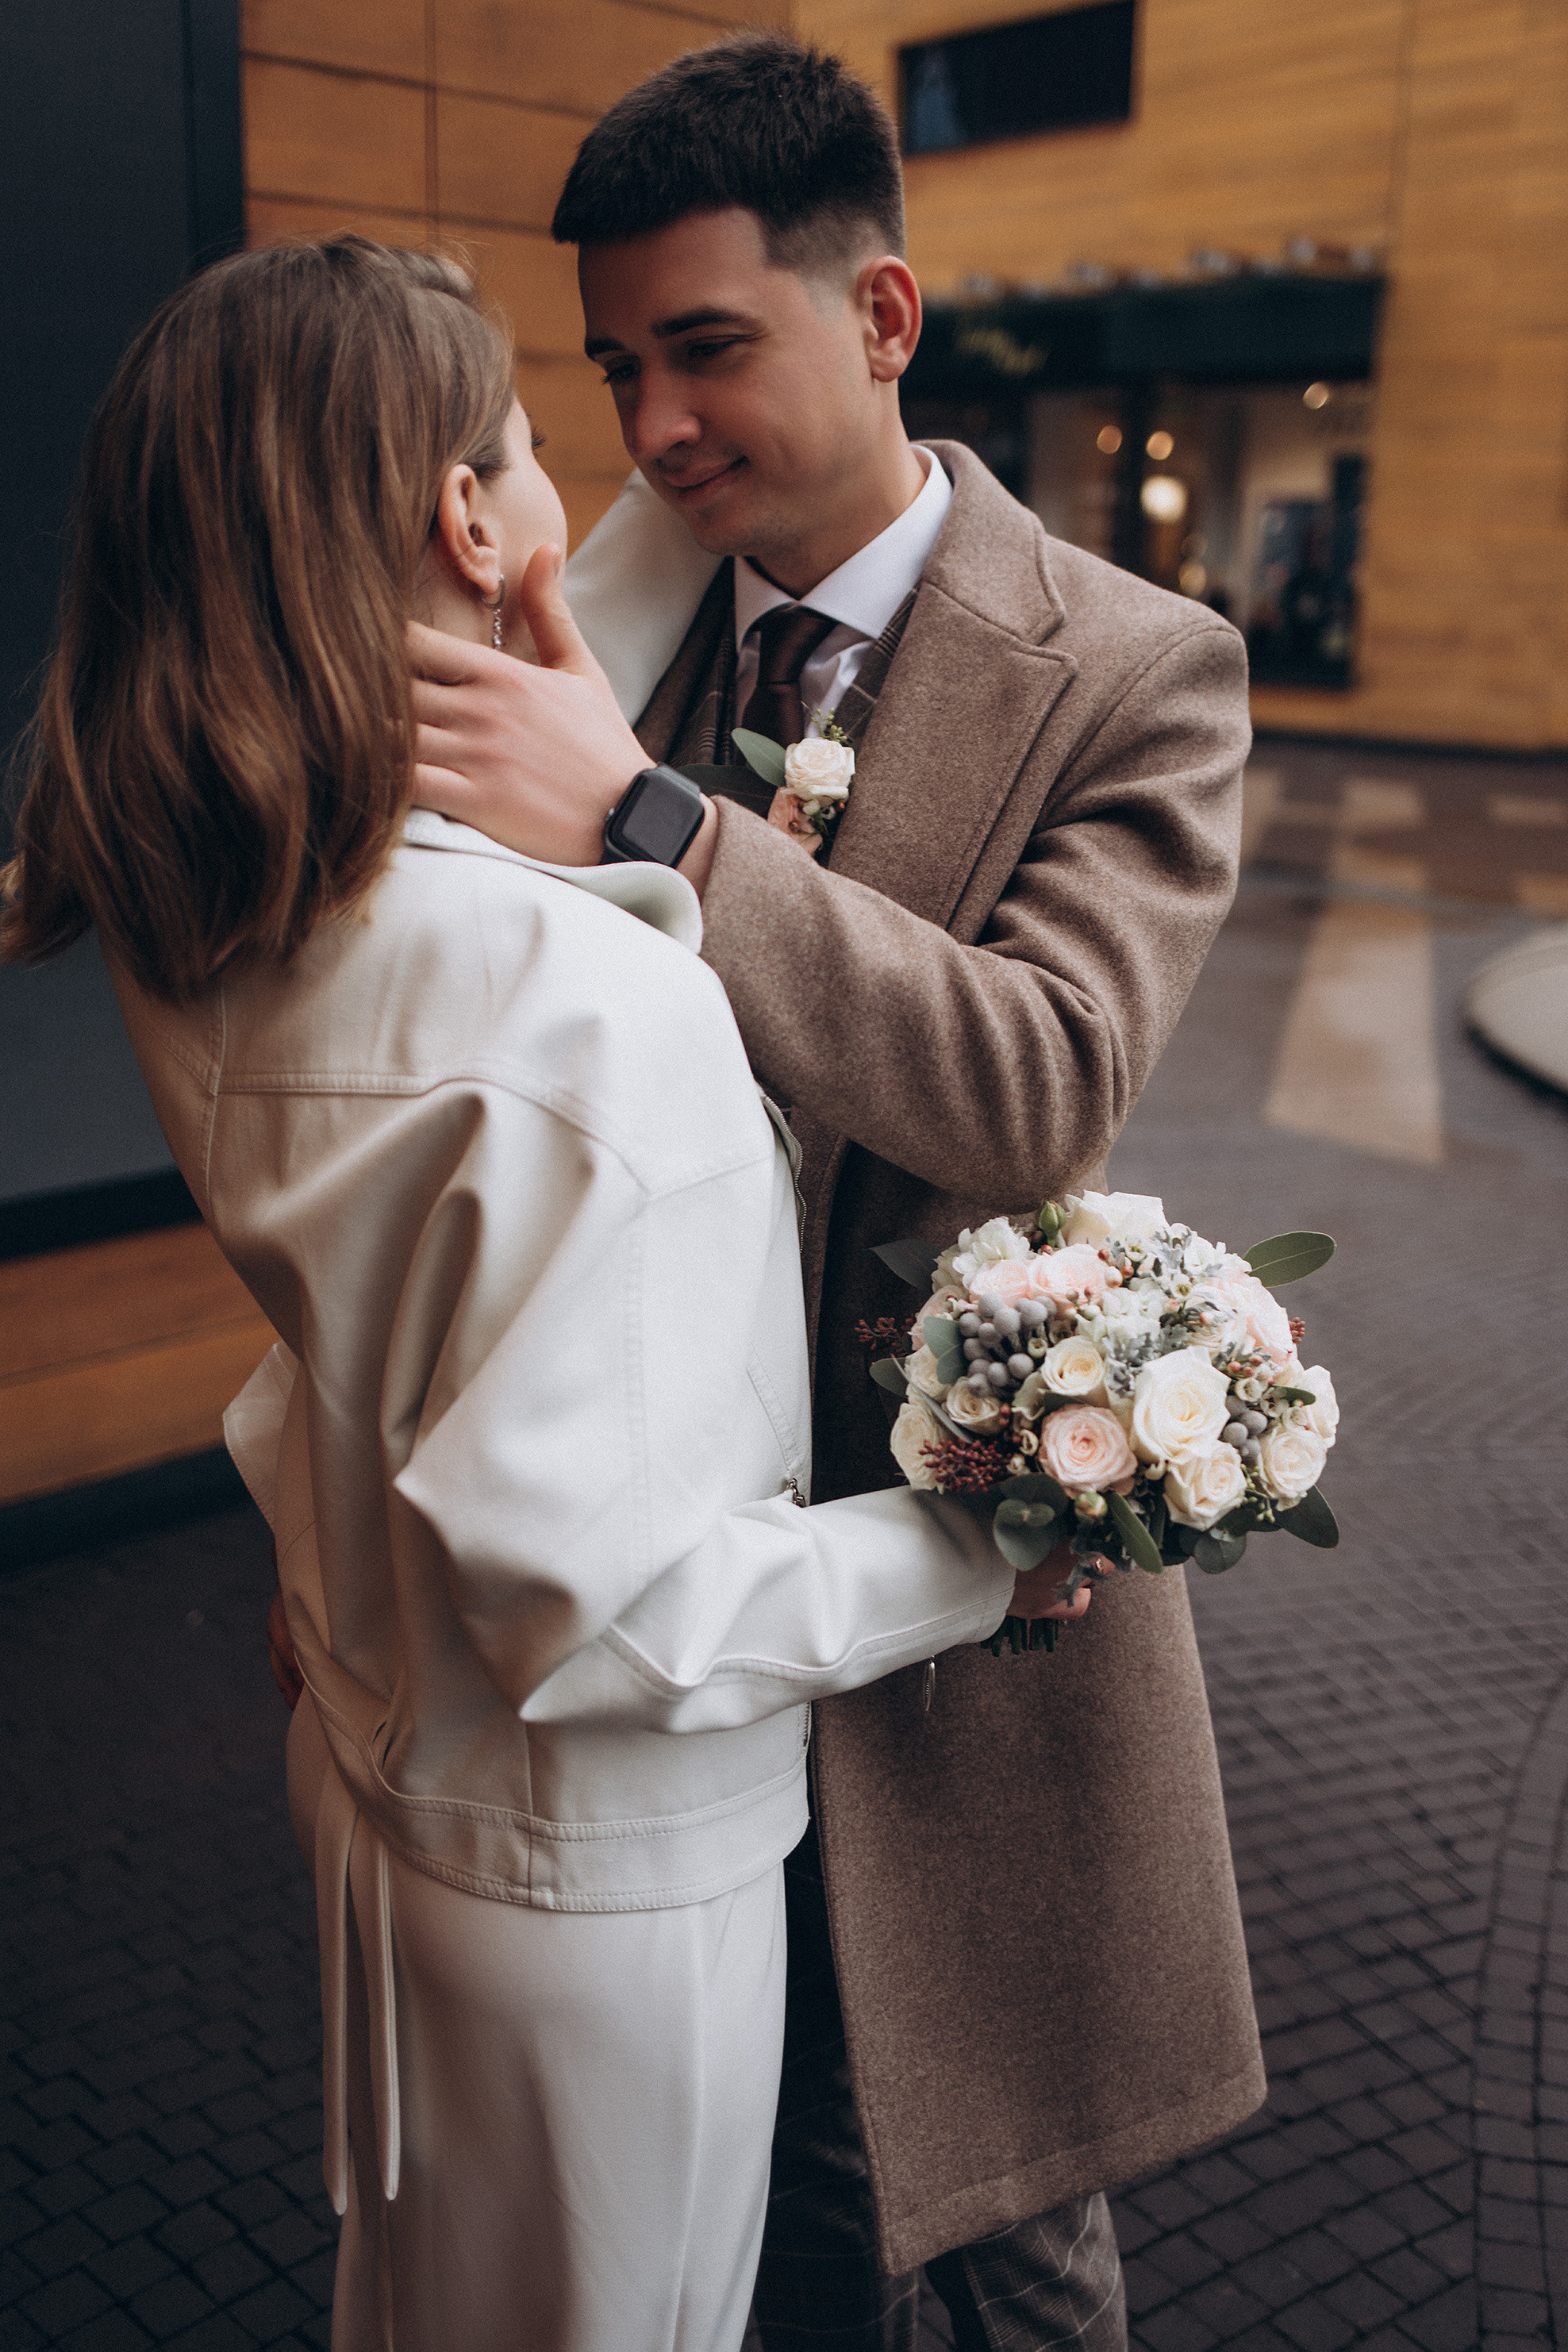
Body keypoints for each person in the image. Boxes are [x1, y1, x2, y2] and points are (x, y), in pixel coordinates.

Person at [0, 236, 1047, 2352]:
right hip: (603, 1879)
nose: (625, 451)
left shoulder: (197, 893)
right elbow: (633, 1613)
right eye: (550, 428)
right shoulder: (596, 1010)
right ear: (468, 520)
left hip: (384, 1763)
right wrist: (983, 1550)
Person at [406, 32, 1266, 2352]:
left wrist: (655, 823)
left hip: (950, 1593)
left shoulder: (1141, 669)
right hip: (671, 1586)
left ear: (881, 318)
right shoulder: (620, 622)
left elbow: (1037, 1076)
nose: (654, 425)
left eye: (706, 348)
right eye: (614, 366)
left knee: (986, 2217)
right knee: (755, 2204)